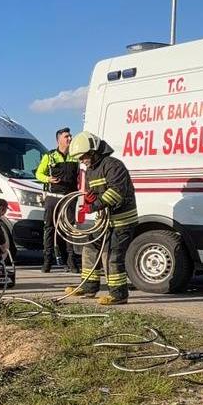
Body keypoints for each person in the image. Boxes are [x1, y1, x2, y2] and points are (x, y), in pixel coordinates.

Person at [65, 131, 138, 305]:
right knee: (90, 248)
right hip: (104, 220)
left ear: (93, 151)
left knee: (112, 255)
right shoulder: (90, 170)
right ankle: (89, 287)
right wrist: (91, 198)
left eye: (83, 157)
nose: (82, 161)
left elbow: (116, 192)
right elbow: (95, 193)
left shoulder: (114, 165)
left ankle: (119, 295)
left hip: (122, 221)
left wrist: (94, 205)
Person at [35, 127, 80, 273]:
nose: (70, 138)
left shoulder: (75, 156)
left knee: (69, 229)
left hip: (69, 199)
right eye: (67, 136)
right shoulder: (50, 156)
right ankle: (47, 261)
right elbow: (38, 174)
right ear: (59, 139)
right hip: (53, 198)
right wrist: (48, 179)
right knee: (49, 229)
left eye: (70, 136)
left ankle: (71, 261)